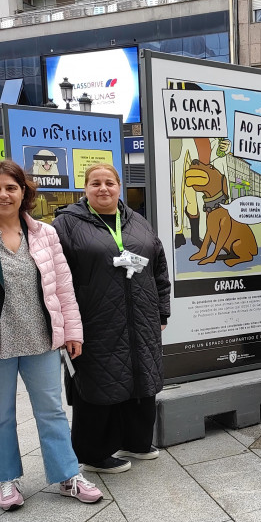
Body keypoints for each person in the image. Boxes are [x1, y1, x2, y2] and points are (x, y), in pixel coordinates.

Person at [0, 160, 101, 511]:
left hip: (40, 338)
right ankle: (6, 480)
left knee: (52, 410)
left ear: (24, 192)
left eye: (11, 187)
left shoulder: (44, 234)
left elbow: (63, 288)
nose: (3, 194)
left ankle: (67, 475)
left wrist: (72, 330)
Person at [53, 163, 171, 473]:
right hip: (95, 320)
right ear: (85, 189)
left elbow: (159, 267)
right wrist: (65, 324)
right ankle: (93, 453)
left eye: (109, 182)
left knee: (140, 379)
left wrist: (162, 311)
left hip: (141, 319)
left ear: (119, 187)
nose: (103, 188)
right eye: (95, 183)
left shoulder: (137, 222)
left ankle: (135, 440)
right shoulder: (66, 225)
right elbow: (56, 278)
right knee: (98, 383)